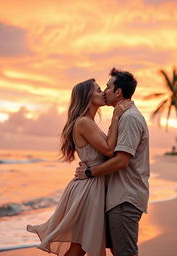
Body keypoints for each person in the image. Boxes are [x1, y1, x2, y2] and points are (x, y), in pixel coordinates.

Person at [26, 78, 131, 256]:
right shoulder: (83, 122)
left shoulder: (90, 123)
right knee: (81, 246)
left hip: (93, 185)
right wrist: (116, 116)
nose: (104, 93)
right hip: (88, 189)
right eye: (99, 90)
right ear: (88, 97)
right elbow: (109, 149)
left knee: (80, 246)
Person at [75, 68, 150, 256]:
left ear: (118, 92)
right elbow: (111, 152)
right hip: (117, 197)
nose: (104, 92)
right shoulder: (122, 117)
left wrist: (90, 171)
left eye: (107, 87)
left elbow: (121, 161)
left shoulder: (130, 118)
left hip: (125, 198)